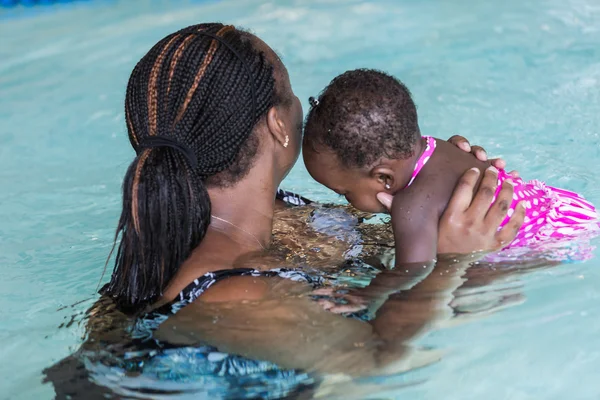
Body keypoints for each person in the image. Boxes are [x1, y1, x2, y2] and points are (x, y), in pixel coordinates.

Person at [43, 23, 527, 399]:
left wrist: (449, 191)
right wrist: (448, 264)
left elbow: (437, 264)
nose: (304, 109)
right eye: (297, 96)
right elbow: (382, 363)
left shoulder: (293, 219)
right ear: (278, 125)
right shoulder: (222, 296)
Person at [303, 69, 599, 264]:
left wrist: (368, 296)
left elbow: (412, 277)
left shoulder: (411, 206)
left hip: (549, 245)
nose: (346, 202)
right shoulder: (441, 146)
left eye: (344, 193)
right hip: (568, 210)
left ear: (383, 178)